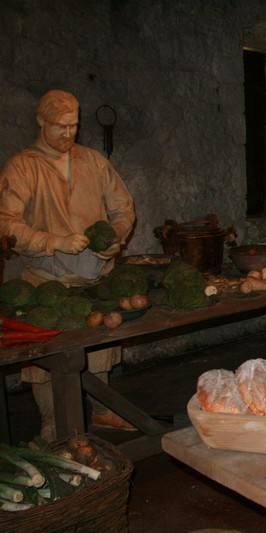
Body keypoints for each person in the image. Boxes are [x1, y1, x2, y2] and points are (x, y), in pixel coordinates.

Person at [0, 89, 137, 439]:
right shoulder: (23, 166)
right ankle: (53, 423)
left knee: (98, 350)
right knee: (46, 362)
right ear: (40, 122)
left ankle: (105, 411)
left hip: (94, 278)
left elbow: (123, 209)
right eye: (59, 126)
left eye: (73, 126)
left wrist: (116, 239)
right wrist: (52, 241)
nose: (68, 134)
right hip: (48, 280)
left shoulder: (92, 161)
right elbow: (5, 221)